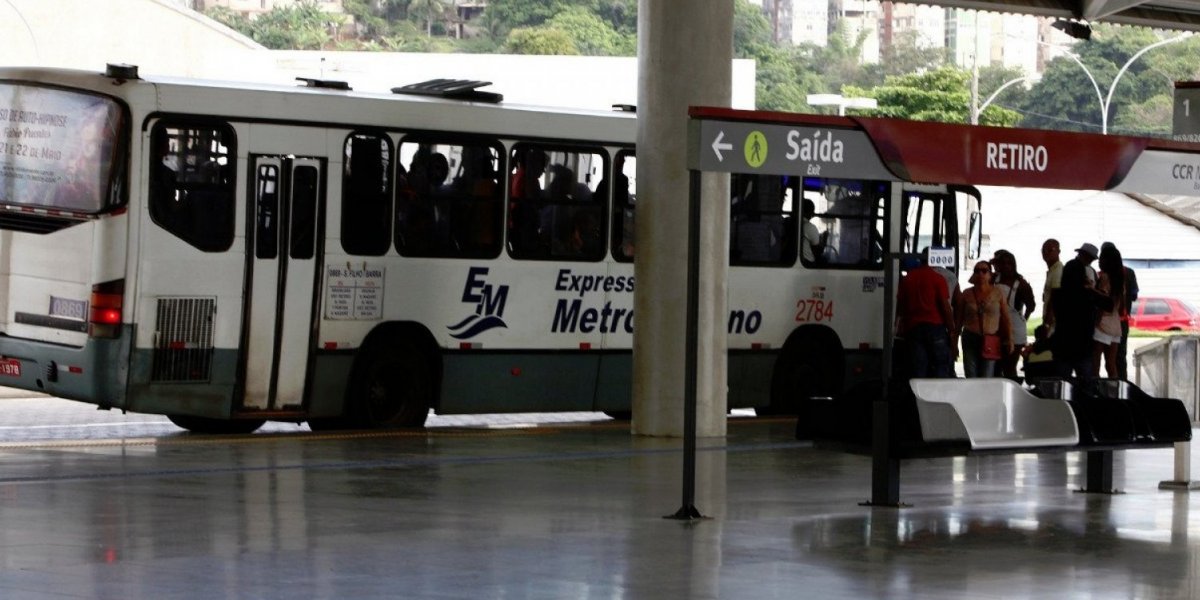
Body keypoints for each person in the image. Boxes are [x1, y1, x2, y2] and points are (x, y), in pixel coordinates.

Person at [895, 249, 956, 378]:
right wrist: (951, 330)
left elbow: (901, 304)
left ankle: (919, 397)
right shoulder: (938, 279)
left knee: (918, 367)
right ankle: (939, 396)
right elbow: (945, 307)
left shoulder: (908, 278)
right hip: (936, 328)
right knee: (940, 365)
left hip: (913, 328)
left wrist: (899, 323)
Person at [1050, 246, 1108, 381]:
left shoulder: (1060, 295)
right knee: (1086, 381)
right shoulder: (1085, 295)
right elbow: (1106, 304)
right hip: (1083, 343)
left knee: (1063, 381)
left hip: (1064, 343)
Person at [954, 260, 1013, 377]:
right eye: (977, 271)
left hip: (991, 338)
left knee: (987, 375)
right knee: (971, 374)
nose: (980, 274)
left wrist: (1010, 338)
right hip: (970, 337)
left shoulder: (998, 293)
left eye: (984, 271)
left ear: (990, 274)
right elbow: (959, 319)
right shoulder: (966, 294)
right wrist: (954, 342)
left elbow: (1006, 318)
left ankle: (985, 395)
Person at [992, 250, 1036, 379]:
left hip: (1015, 330)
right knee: (996, 366)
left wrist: (1023, 319)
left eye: (1009, 263)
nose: (1006, 266)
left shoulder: (1021, 284)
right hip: (997, 328)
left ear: (1014, 265)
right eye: (1002, 263)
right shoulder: (994, 279)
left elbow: (1031, 305)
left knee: (1009, 367)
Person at [1102, 242, 1139, 379]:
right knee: (1119, 357)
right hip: (1122, 321)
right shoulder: (1129, 272)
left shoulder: (1102, 275)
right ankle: (1121, 385)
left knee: (1099, 358)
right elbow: (1134, 295)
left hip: (1103, 322)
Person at [1092, 244, 1126, 378]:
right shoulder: (1120, 280)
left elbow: (1103, 303)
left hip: (1103, 324)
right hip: (1116, 325)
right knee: (1111, 365)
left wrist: (1096, 322)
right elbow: (1121, 305)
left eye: (1101, 258)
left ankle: (1095, 393)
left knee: (1095, 364)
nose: (1099, 261)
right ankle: (1114, 393)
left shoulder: (1105, 277)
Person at [1041, 238, 1063, 330]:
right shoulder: (1052, 270)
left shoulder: (1058, 270)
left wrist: (1046, 325)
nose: (1046, 253)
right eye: (1043, 250)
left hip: (1054, 324)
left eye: (1050, 250)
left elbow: (1055, 298)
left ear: (1058, 251)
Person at [800, 198, 821, 264]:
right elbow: (817, 252)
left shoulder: (789, 222)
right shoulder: (810, 227)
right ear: (810, 212)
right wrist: (824, 241)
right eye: (812, 211)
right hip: (808, 263)